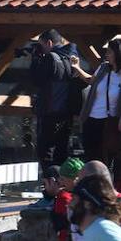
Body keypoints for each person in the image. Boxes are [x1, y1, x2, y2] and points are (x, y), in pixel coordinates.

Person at [73, 37, 121, 171]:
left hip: (109, 122)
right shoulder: (103, 68)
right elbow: (91, 80)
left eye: (110, 52)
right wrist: (77, 68)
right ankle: (92, 185)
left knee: (105, 160)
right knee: (90, 157)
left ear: (119, 54)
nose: (107, 54)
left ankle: (105, 187)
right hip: (91, 118)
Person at [28, 29, 80, 167]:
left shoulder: (50, 58)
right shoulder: (72, 56)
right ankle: (61, 183)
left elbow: (36, 80)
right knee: (62, 151)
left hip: (49, 113)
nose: (41, 49)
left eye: (41, 45)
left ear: (49, 43)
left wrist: (35, 58)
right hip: (66, 113)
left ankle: (50, 182)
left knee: (45, 152)